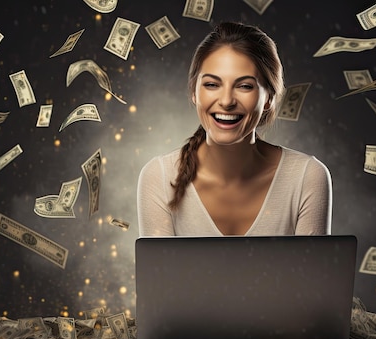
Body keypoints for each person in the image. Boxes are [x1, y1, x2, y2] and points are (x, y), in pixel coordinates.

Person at [137, 21, 332, 236]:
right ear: (194, 92)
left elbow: (312, 270)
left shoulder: (307, 177)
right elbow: (159, 270)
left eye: (245, 86)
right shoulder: (159, 176)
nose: (227, 101)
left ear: (269, 98)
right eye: (212, 84)